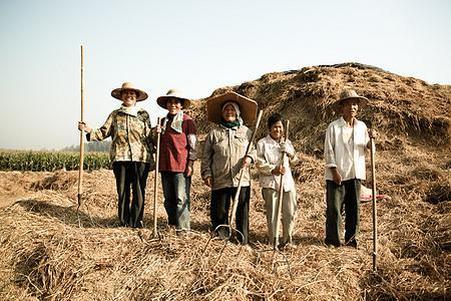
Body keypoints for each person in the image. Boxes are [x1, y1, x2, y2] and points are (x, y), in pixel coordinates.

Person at [78, 82, 154, 228]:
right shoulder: (115, 115)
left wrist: (153, 155)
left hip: (140, 158)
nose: (129, 95)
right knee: (123, 191)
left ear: (136, 97)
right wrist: (88, 130)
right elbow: (103, 132)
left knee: (139, 191)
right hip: (120, 158)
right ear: (121, 96)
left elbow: (149, 136)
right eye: (126, 93)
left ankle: (137, 221)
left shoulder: (143, 115)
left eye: (132, 93)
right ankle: (124, 222)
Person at [201, 91, 258, 245]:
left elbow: (254, 150)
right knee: (220, 211)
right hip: (220, 178)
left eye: (232, 110)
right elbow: (206, 156)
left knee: (242, 211)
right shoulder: (214, 133)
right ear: (222, 113)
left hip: (241, 179)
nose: (229, 113)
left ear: (237, 113)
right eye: (226, 110)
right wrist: (207, 173)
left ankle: (242, 240)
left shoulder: (246, 132)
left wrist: (250, 157)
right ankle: (222, 239)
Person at [323, 89, 376, 248]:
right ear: (342, 107)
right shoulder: (333, 127)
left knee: (354, 208)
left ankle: (351, 239)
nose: (352, 107)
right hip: (337, 174)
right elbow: (328, 150)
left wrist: (372, 139)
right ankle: (332, 240)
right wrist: (334, 171)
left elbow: (369, 148)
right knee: (334, 209)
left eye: (355, 104)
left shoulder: (362, 127)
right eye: (349, 104)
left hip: (355, 173)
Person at [156, 89, 197, 234]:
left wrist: (191, 163)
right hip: (165, 165)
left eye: (176, 102)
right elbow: (157, 143)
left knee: (181, 198)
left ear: (181, 105)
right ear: (166, 105)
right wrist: (156, 133)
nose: (173, 105)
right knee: (168, 199)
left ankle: (183, 228)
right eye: (170, 102)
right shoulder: (162, 122)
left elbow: (193, 145)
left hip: (180, 165)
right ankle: (172, 224)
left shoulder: (187, 121)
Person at [256, 113, 298, 248]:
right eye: (275, 127)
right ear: (269, 128)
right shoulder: (262, 143)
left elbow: (296, 162)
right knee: (273, 213)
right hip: (271, 184)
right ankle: (274, 240)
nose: (278, 130)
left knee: (289, 212)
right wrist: (273, 169)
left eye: (280, 127)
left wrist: (290, 153)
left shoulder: (287, 143)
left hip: (287, 183)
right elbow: (259, 163)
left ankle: (287, 240)